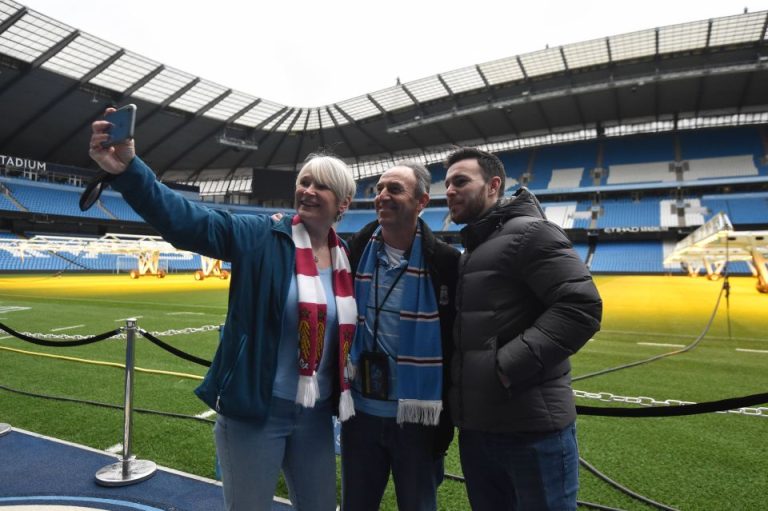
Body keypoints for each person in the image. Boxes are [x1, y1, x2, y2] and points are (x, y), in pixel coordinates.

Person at [88, 109, 357, 511]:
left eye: (322, 185)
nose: (308, 190)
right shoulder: (260, 234)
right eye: (304, 181)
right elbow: (187, 222)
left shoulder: (344, 259)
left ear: (344, 203)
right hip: (254, 411)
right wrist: (129, 169)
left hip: (315, 416)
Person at [444, 147, 602, 511]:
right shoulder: (473, 249)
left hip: (532, 432)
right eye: (448, 183)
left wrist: (505, 367)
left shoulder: (531, 232)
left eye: (461, 181)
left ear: (493, 186)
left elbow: (582, 306)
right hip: (479, 431)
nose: (450, 190)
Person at [341, 162, 459, 511]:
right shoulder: (355, 251)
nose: (383, 196)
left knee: (419, 505)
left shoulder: (446, 263)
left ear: (421, 201)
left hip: (417, 417)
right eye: (379, 189)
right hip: (360, 413)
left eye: (394, 189)